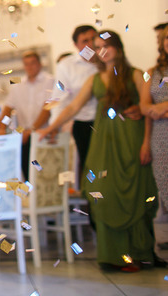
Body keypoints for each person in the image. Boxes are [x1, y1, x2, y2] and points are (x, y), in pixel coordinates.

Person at [38, 30, 158, 272]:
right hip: (104, 141)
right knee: (100, 191)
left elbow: (147, 109)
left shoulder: (136, 74)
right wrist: (51, 126)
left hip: (131, 138)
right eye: (98, 47)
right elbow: (73, 106)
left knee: (135, 193)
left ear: (118, 47)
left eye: (106, 45)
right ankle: (113, 255)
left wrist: (146, 142)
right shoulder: (95, 79)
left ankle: (138, 255)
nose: (102, 51)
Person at [51, 25, 102, 184]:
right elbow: (59, 99)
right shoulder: (67, 66)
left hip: (108, 122)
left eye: (93, 39)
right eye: (85, 41)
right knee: (91, 170)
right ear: (76, 45)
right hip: (84, 123)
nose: (90, 44)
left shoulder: (107, 60)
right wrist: (55, 126)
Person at [0, 50, 55, 180]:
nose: (29, 67)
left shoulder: (50, 81)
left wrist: (32, 130)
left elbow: (47, 109)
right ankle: (29, 192)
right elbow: (7, 109)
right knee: (27, 171)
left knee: (44, 173)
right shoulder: (17, 84)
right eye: (26, 64)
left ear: (39, 64)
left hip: (43, 134)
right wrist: (2, 127)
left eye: (32, 63)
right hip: (24, 136)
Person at [141, 26, 168, 249]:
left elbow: (155, 108)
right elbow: (144, 106)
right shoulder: (151, 71)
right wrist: (145, 143)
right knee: (164, 185)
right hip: (159, 136)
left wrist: (162, 107)